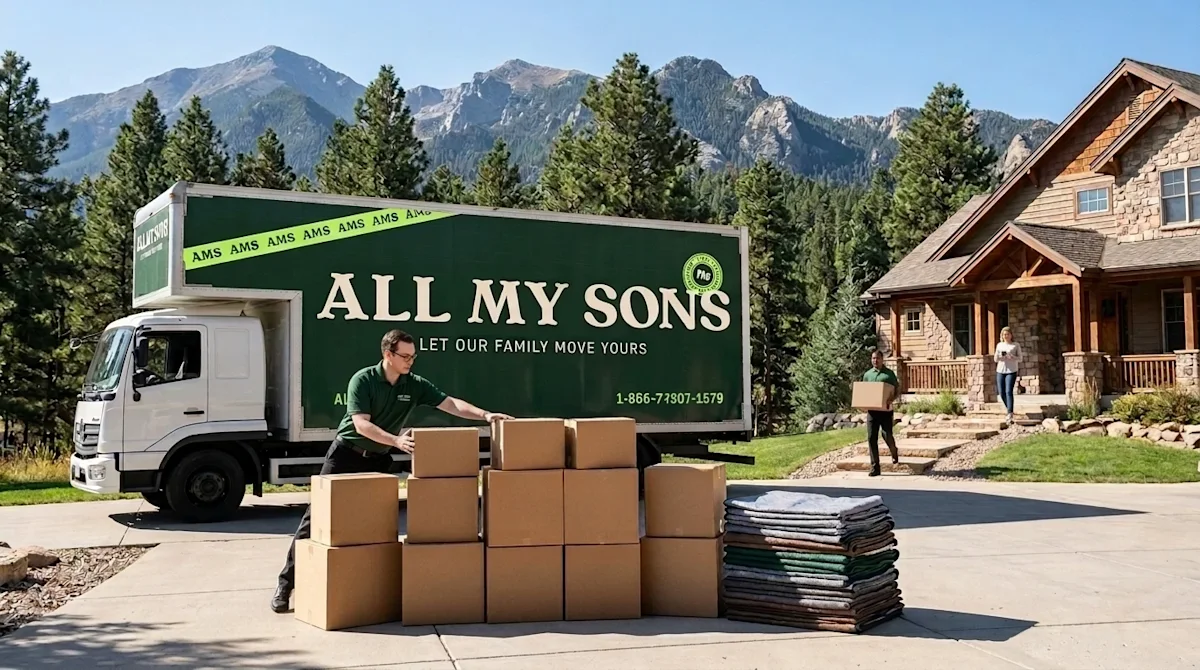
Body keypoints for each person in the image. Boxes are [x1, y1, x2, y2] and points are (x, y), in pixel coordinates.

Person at [271, 328, 513, 613]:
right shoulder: (363, 380)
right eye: (405, 356)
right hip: (346, 456)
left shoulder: (414, 384)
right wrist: (397, 440)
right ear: (388, 354)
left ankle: (373, 591)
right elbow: (361, 424)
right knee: (315, 522)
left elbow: (451, 404)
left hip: (379, 459)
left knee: (378, 528)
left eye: (413, 356)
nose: (411, 362)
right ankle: (285, 586)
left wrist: (485, 415)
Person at [861, 349, 900, 477]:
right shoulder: (867, 375)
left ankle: (894, 451)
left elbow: (897, 390)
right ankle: (875, 467)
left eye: (877, 358)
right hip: (872, 412)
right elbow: (864, 392)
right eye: (873, 358)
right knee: (871, 438)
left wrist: (892, 399)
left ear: (882, 359)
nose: (875, 361)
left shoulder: (889, 375)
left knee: (886, 434)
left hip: (886, 411)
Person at [994, 326, 1022, 424]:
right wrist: (1000, 356)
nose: (1006, 336)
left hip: (1011, 370)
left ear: (1011, 335)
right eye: (1004, 334)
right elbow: (995, 359)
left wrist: (1012, 357)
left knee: (1008, 391)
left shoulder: (1015, 345)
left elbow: (1020, 358)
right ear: (1002, 335)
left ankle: (1009, 413)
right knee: (1001, 392)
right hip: (1000, 370)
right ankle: (1009, 408)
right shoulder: (999, 345)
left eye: (1008, 334)